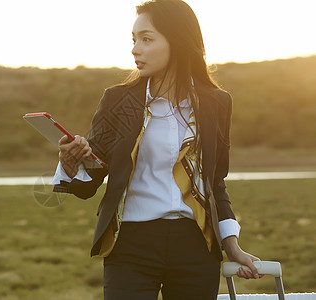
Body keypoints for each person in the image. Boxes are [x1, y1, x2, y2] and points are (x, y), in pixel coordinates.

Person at [51, 0, 262, 299]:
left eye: (146, 39)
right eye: (134, 40)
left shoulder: (216, 103)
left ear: (177, 41)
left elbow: (215, 182)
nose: (135, 49)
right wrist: (71, 163)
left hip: (196, 246)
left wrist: (232, 245)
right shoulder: (117, 100)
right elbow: (90, 182)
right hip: (131, 245)